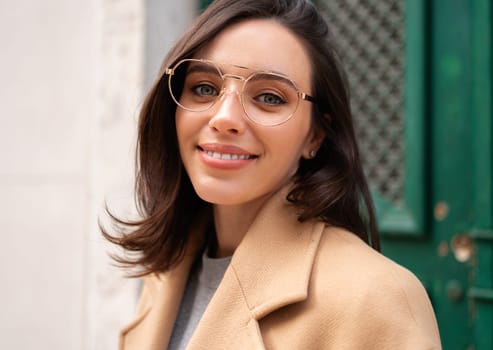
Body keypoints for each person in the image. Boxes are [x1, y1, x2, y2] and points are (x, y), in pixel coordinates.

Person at [103, 0, 442, 349]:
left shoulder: (375, 296)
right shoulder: (167, 269)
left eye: (268, 96)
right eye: (204, 88)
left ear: (315, 135)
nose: (224, 118)